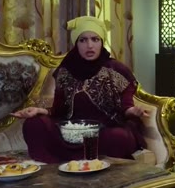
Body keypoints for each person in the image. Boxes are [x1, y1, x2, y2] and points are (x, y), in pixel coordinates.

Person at [11, 16, 149, 164]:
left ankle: (77, 159)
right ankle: (70, 160)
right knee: (34, 124)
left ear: (102, 42)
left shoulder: (117, 70)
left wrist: (133, 111)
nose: (89, 45)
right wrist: (39, 111)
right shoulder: (65, 71)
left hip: (104, 132)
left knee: (118, 138)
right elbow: (59, 111)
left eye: (95, 39)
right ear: (76, 43)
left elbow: (126, 107)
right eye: (83, 40)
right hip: (71, 134)